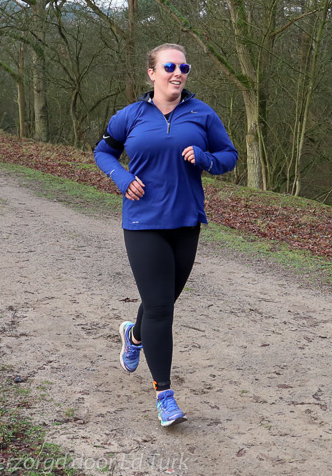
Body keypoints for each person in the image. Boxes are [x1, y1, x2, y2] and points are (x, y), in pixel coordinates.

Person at [94, 43, 238, 427]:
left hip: (186, 222)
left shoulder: (202, 113)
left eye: (184, 67)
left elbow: (229, 156)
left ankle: (133, 336)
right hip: (142, 222)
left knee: (162, 300)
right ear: (152, 73)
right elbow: (103, 151)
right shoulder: (131, 115)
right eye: (170, 66)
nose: (178, 73)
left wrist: (206, 159)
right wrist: (122, 178)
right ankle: (164, 395)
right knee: (161, 308)